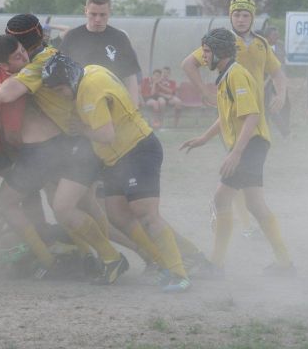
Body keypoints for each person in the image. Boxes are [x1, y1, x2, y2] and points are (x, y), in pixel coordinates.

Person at [41, 52, 194, 293]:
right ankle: (161, 263)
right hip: (115, 157)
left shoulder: (88, 91)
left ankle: (179, 272)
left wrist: (81, 128)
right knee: (117, 214)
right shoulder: (90, 68)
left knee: (146, 213)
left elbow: (106, 135)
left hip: (136, 149)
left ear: (70, 81)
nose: (60, 96)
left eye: (60, 91)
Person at [0, 14, 129, 285]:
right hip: (76, 141)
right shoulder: (50, 54)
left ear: (18, 42)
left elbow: (5, 94)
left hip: (76, 142)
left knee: (65, 207)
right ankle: (99, 257)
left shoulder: (37, 66)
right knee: (84, 204)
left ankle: (107, 258)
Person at [180, 28, 294, 277]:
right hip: (251, 144)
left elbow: (252, 115)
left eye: (207, 52)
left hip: (251, 144)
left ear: (220, 52)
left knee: (222, 199)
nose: (203, 57)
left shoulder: (235, 75)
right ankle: (285, 263)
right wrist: (204, 138)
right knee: (254, 204)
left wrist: (236, 153)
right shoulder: (225, 75)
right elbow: (226, 117)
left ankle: (216, 266)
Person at [181, 0, 287, 238]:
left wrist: (280, 94)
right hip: (234, 117)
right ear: (230, 16)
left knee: (245, 175)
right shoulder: (223, 41)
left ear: (252, 17)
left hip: (257, 116)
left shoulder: (261, 44)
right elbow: (188, 63)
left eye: (246, 15)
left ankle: (239, 218)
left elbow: (279, 74)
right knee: (237, 172)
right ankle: (247, 226)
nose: (241, 19)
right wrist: (203, 90)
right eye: (237, 14)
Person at [60, 0, 141, 106]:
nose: (97, 19)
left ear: (109, 13)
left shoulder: (120, 38)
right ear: (85, 11)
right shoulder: (72, 37)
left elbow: (130, 77)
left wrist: (134, 110)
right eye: (93, 14)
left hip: (113, 103)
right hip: (78, 104)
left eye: (103, 15)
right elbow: (61, 74)